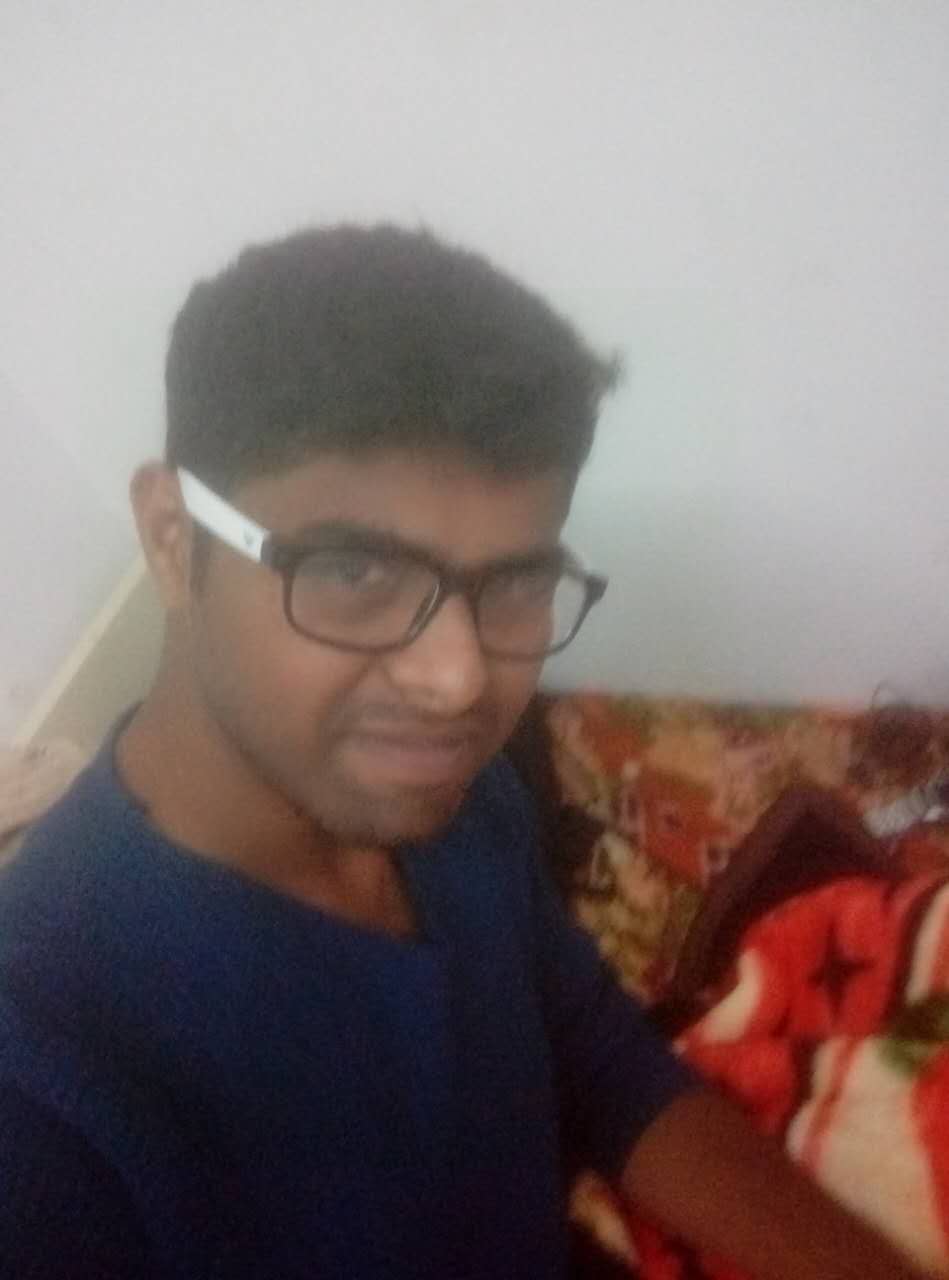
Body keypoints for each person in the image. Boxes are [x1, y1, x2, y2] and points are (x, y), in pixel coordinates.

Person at [0, 225, 926, 1279]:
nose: (459, 680)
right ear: (174, 540)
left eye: (516, 583)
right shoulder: (44, 1099)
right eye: (353, 572)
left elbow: (595, 1057)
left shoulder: (458, 802)